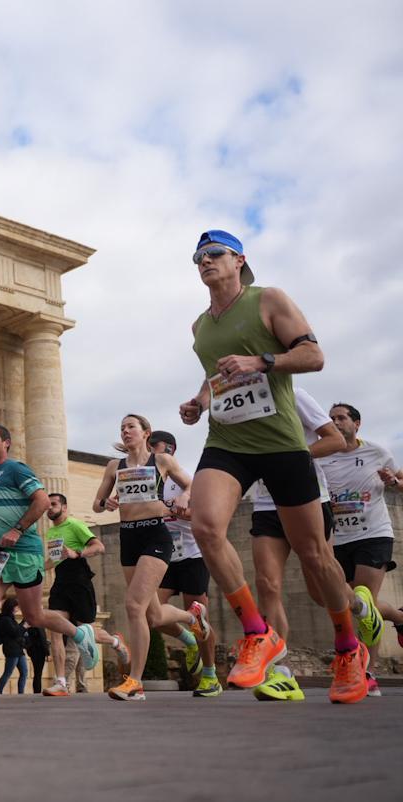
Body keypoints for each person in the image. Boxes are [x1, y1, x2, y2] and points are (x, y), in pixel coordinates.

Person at [180, 229, 375, 703]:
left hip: (280, 443)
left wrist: (261, 361)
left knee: (316, 557)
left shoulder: (268, 300)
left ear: (239, 259)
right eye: (198, 257)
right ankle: (257, 632)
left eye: (214, 253)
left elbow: (314, 355)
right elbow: (214, 374)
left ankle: (349, 649)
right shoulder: (200, 326)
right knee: (205, 527)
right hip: (227, 439)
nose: (205, 261)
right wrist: (200, 402)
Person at [0, 424, 98, 700]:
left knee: (34, 616)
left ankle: (80, 635)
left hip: (24, 553)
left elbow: (41, 501)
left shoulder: (17, 469)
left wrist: (17, 530)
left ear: (6, 443)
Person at [94, 415, 209, 701]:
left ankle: (135, 682)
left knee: (134, 605)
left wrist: (185, 497)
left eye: (131, 426)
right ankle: (192, 617)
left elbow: (191, 485)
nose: (125, 431)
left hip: (155, 535)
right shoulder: (114, 466)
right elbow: (97, 505)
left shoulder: (161, 461)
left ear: (146, 432)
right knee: (153, 615)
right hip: (128, 536)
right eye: (122, 427)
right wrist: (106, 502)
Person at [245, 392, 343, 701]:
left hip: (306, 498)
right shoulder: (239, 403)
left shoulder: (293, 395)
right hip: (265, 503)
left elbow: (335, 440)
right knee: (267, 584)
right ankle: (281, 673)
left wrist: (287, 460)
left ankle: (359, 612)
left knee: (320, 588)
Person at [318, 402, 403, 696]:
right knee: (352, 603)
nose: (335, 422)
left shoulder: (377, 452)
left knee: (366, 599)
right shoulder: (321, 457)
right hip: (337, 539)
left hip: (373, 534)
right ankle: (400, 618)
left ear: (357, 424)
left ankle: (367, 672)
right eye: (331, 418)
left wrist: (394, 482)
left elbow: (401, 481)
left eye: (341, 418)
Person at [147, 431, 222, 698]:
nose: (149, 454)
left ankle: (210, 676)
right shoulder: (149, 481)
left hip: (191, 555)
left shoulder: (184, 480)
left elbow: (203, 515)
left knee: (201, 618)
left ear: (169, 450)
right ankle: (187, 640)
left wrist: (175, 511)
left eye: (153, 448)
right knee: (150, 613)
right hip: (164, 557)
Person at [41, 493, 130, 696]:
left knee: (86, 632)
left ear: (64, 507)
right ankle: (61, 682)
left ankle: (115, 642)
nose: (49, 508)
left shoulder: (75, 525)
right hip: (60, 583)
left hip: (79, 581)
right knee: (55, 630)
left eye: (53, 504)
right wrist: (38, 569)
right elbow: (55, 560)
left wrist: (77, 553)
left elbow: (99, 547)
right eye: (47, 505)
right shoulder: (51, 532)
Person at [0, 599, 29, 694]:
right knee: (8, 672)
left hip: (18, 649)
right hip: (11, 650)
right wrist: (24, 626)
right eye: (16, 606)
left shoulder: (11, 619)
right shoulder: (5, 619)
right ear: (11, 607)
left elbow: (17, 630)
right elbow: (15, 632)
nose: (18, 608)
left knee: (24, 672)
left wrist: (24, 623)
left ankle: (21, 693)